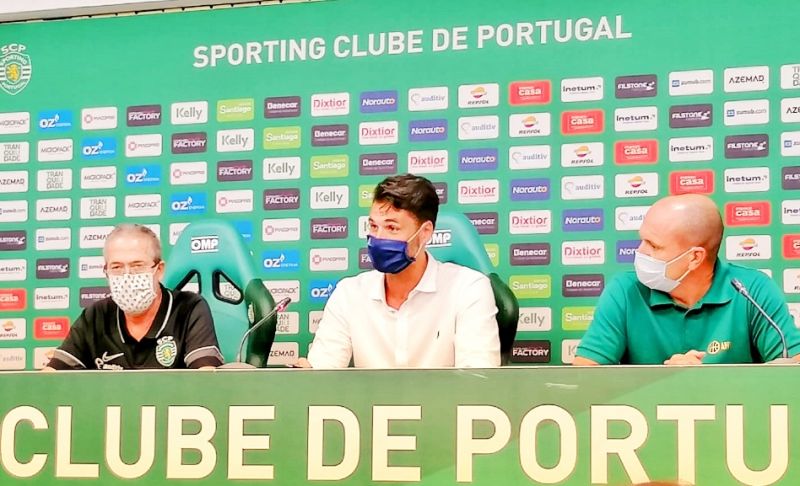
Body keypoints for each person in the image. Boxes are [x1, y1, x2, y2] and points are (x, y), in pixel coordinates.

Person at [297, 174, 501, 368]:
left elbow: (477, 380)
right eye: (373, 226)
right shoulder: (348, 293)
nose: (378, 238)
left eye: (392, 228)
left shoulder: (468, 289)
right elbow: (323, 373)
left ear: (425, 233)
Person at [574, 194, 800, 365]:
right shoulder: (625, 290)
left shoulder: (751, 289)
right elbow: (585, 375)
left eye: (653, 245)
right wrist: (667, 382)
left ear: (694, 258)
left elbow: (793, 364)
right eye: (642, 240)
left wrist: (703, 384)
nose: (640, 251)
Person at [44, 224, 223, 370]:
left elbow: (205, 378)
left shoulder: (189, 308)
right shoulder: (96, 315)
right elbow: (51, 378)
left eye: (137, 265)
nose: (127, 275)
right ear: (106, 272)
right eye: (116, 267)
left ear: (159, 270)